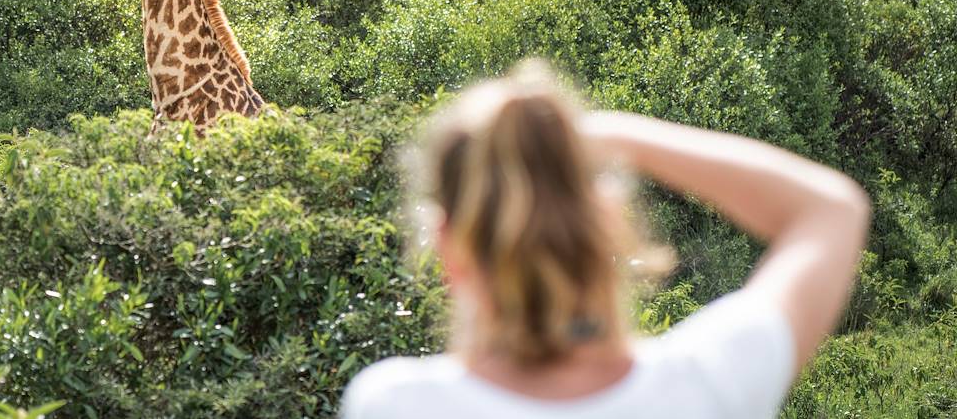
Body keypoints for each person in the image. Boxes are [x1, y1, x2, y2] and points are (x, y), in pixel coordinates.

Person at [341, 61, 870, 418]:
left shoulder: (392, 403)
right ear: (609, 220)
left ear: (448, 245)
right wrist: (611, 135)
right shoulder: (703, 387)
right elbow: (831, 208)